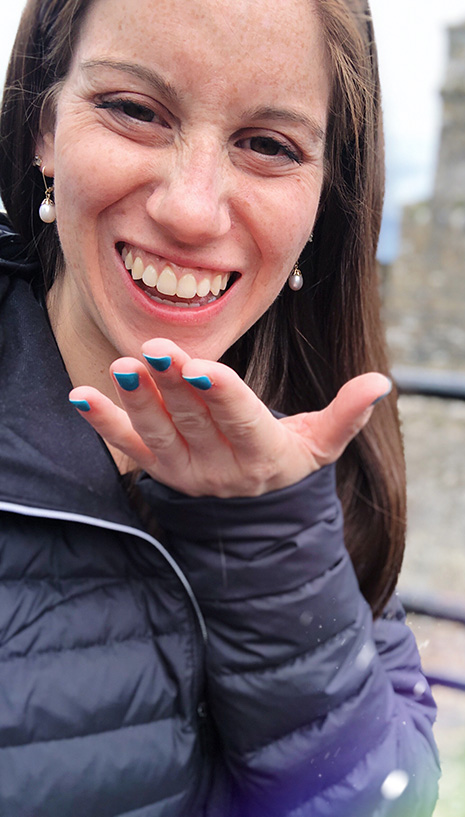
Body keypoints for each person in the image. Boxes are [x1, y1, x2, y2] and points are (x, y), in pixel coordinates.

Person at [0, 0, 440, 814]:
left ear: (323, 204)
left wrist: (271, 543)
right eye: (135, 109)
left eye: (269, 145)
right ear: (42, 126)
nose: (191, 210)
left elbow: (390, 795)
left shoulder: (311, 451)